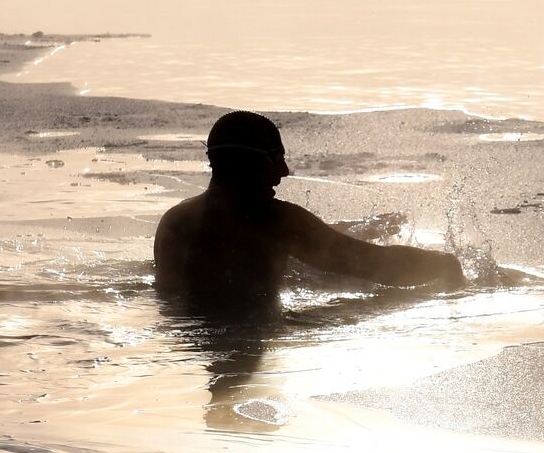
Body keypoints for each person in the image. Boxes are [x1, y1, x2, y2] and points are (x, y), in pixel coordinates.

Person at [154, 111, 465, 319]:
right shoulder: (275, 222)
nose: (283, 172)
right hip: (252, 335)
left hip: (188, 344)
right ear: (248, 163)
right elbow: (372, 264)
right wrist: (443, 265)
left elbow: (174, 302)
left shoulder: (174, 223)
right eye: (276, 159)